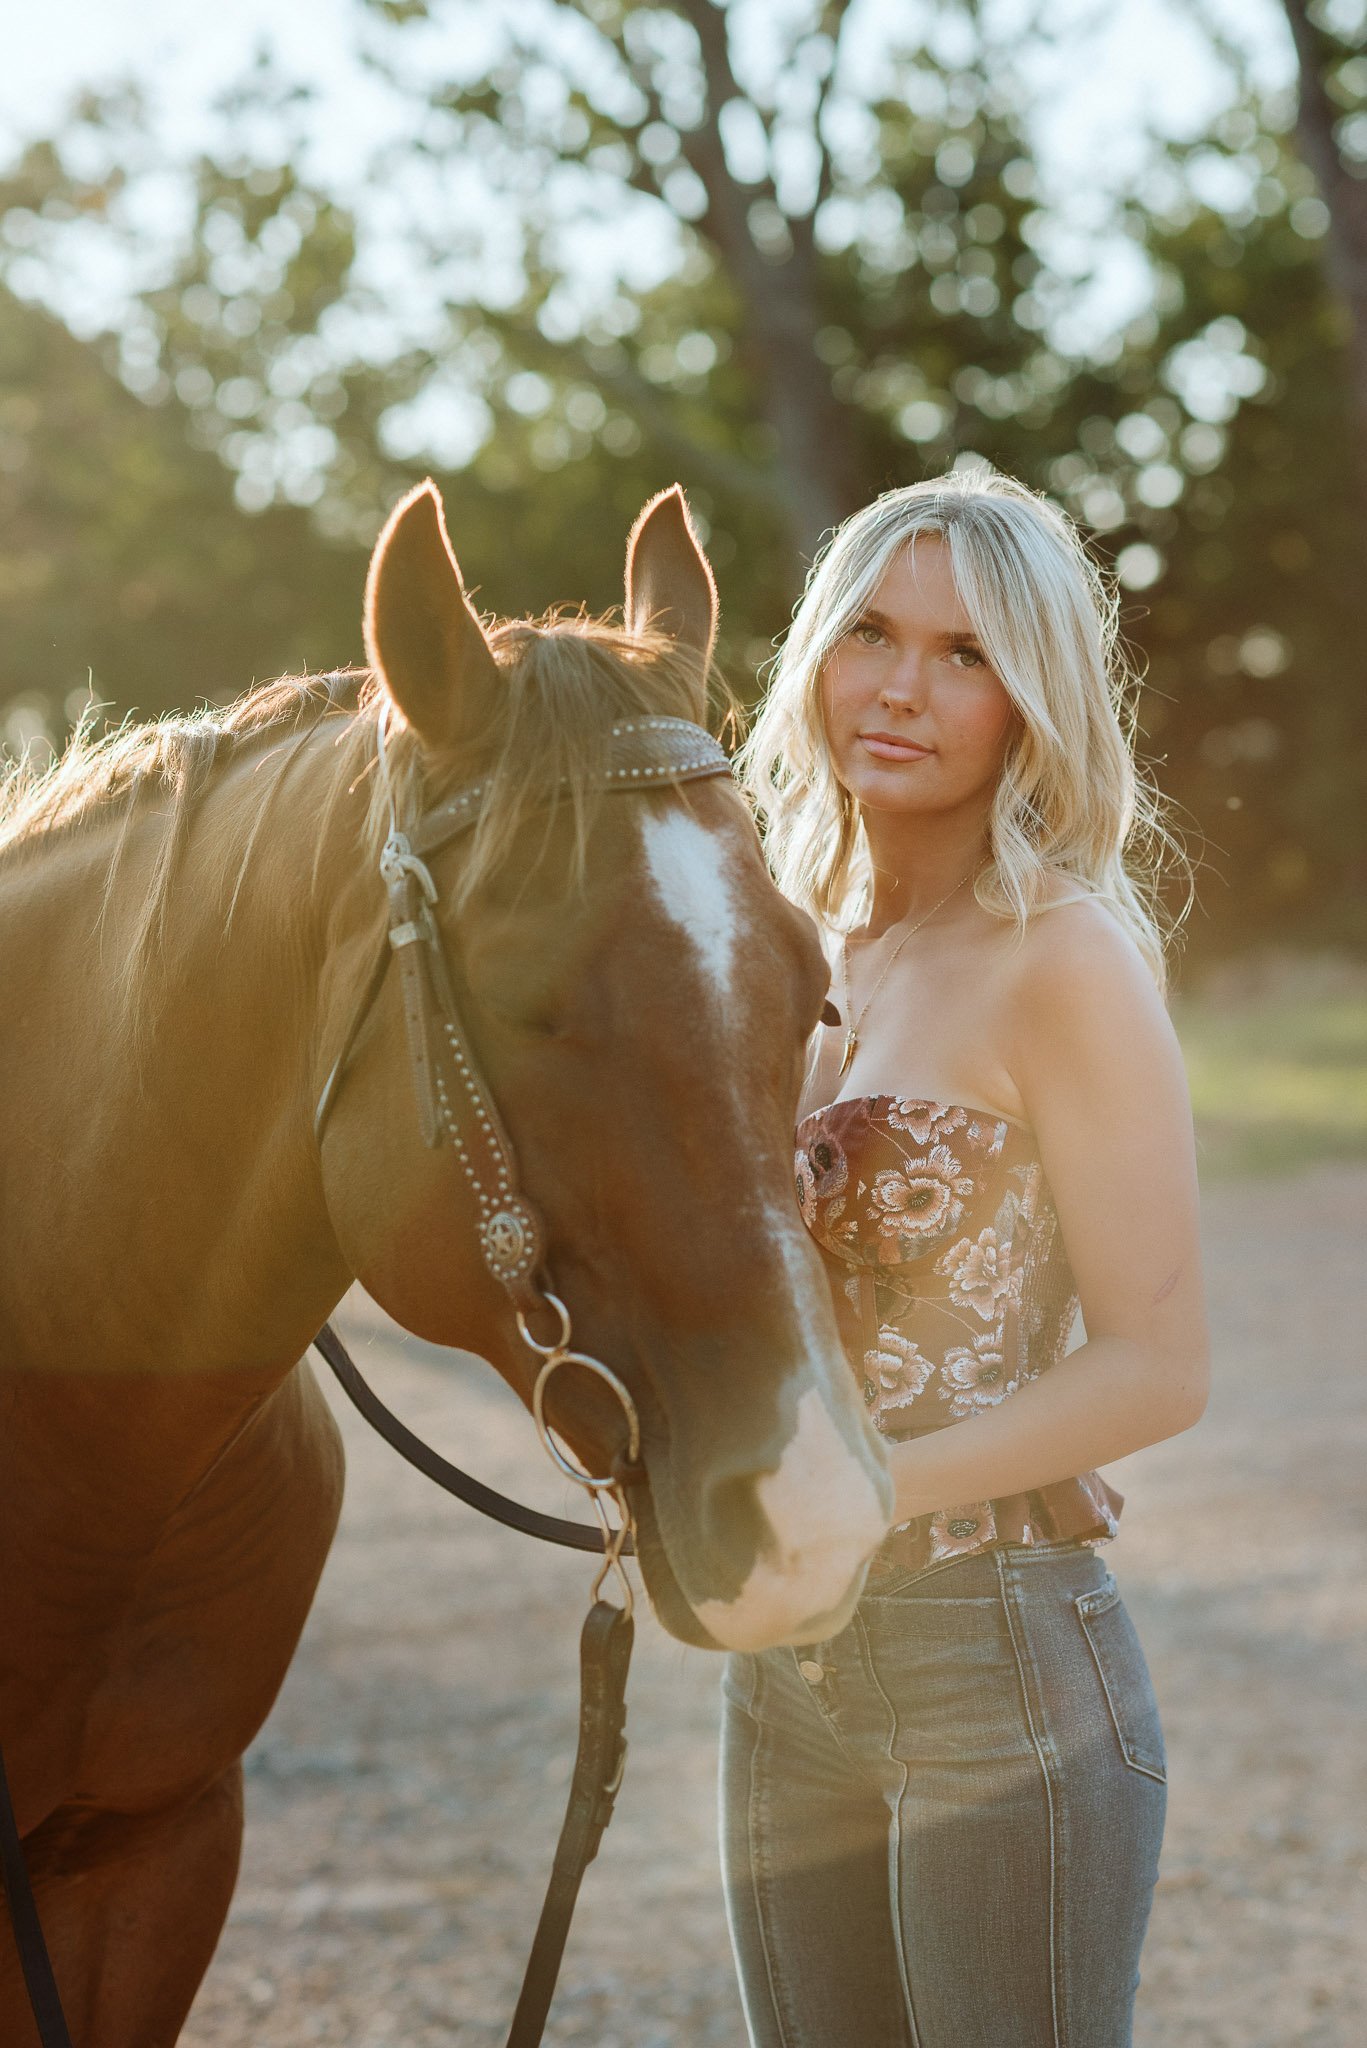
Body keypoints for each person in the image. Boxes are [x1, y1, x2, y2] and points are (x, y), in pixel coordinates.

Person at [723, 469, 1209, 2048]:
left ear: (1032, 702)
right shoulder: (788, 945)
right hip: (787, 1670)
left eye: (966, 654)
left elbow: (1157, 1363)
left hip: (993, 1662)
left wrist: (865, 1487)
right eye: (871, 632)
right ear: (815, 656)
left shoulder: (1060, 957)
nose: (902, 689)